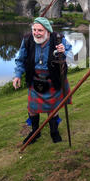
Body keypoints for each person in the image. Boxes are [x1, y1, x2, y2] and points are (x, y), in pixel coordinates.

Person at [13, 17, 73, 145]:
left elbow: (71, 53)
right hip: (35, 78)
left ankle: (54, 131)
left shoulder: (58, 38)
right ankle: (35, 132)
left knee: (53, 109)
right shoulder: (28, 39)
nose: (36, 33)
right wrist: (17, 75)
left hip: (53, 78)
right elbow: (20, 59)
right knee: (32, 109)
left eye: (40, 30)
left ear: (48, 31)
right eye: (34, 29)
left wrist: (64, 52)